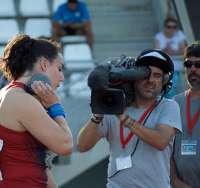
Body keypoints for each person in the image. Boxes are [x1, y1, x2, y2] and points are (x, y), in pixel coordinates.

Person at [77, 49, 182, 187]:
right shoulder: (114, 106)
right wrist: (98, 114)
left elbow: (161, 141)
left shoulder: (168, 107)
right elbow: (83, 146)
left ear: (165, 81)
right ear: (134, 77)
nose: (150, 80)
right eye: (146, 74)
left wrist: (125, 119)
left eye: (157, 75)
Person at [0, 34, 73, 188]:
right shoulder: (23, 100)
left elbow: (36, 162)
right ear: (44, 64)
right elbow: (65, 145)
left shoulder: (8, 92)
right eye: (59, 69)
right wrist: (55, 107)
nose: (62, 78)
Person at [170, 41, 200, 188]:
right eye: (188, 65)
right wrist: (174, 181)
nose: (193, 69)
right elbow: (166, 149)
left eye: (198, 65)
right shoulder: (175, 102)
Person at [154, 17, 188, 98]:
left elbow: (184, 51)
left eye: (174, 27)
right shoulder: (159, 36)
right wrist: (166, 50)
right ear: (165, 27)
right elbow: (155, 52)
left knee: (172, 88)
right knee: (161, 87)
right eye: (169, 27)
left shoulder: (179, 35)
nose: (171, 29)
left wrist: (168, 52)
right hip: (162, 67)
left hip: (175, 68)